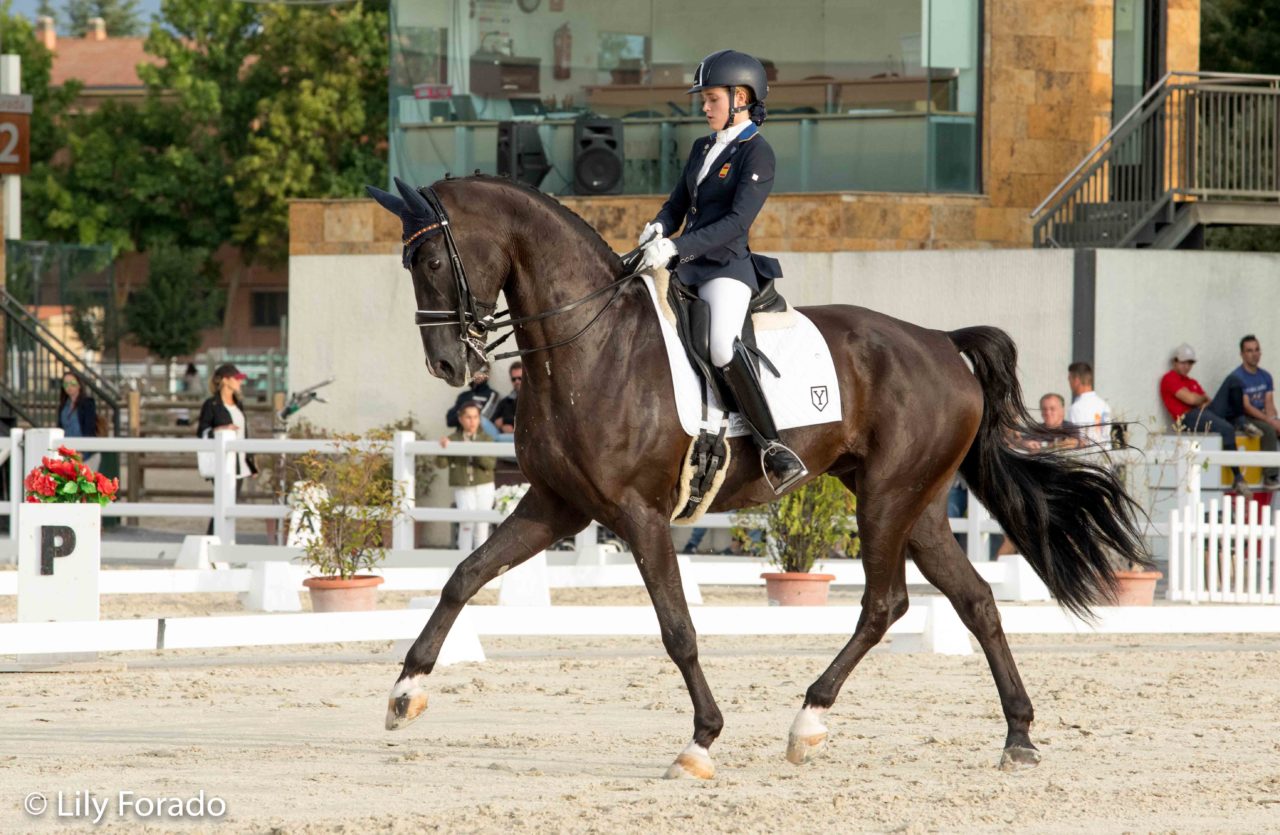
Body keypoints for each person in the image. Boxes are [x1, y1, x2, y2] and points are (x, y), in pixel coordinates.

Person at [635, 48, 804, 494]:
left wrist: (675, 246)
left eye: (711, 99)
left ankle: (773, 447)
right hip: (684, 261)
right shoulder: (702, 147)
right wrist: (659, 227)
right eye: (704, 99)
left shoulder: (757, 154)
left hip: (724, 268)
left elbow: (735, 224)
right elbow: (677, 203)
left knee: (722, 347)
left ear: (741, 98)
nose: (704, 107)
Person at [1159, 343, 1251, 497]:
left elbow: (1205, 400)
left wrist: (1198, 400)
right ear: (1175, 361)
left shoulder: (1191, 382)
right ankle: (1238, 477)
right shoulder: (1169, 378)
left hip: (1201, 413)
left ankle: (1241, 421)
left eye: (1190, 363)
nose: (1187, 366)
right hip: (1187, 419)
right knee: (1227, 429)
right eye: (1183, 362)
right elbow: (1190, 399)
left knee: (1233, 380)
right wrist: (1197, 400)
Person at [197, 363, 259, 534]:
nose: (240, 382)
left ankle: (219, 539)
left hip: (240, 463)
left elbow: (244, 434)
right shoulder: (211, 405)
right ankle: (212, 539)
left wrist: (251, 462)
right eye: (236, 378)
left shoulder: (238, 404)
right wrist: (220, 430)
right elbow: (202, 431)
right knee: (223, 502)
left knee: (230, 504)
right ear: (225, 380)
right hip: (223, 463)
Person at [437, 402, 496, 553]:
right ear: (461, 419)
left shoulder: (486, 438)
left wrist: (473, 448)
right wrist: (443, 447)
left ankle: (481, 563)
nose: (472, 421)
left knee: (482, 526)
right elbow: (441, 463)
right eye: (468, 417)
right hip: (463, 486)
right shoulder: (453, 438)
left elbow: (490, 464)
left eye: (476, 417)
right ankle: (462, 559)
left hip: (484, 486)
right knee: (466, 524)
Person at [1231, 335, 1280, 489]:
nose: (1254, 354)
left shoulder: (1265, 376)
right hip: (1243, 418)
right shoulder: (1237, 377)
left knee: (1275, 426)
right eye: (1249, 350)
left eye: (1257, 349)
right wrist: (1271, 422)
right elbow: (1246, 406)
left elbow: (1269, 402)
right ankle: (1270, 477)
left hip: (1262, 416)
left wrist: (1274, 418)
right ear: (1242, 354)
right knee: (1269, 430)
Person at [58, 370, 101, 470]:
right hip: (68, 454)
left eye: (72, 383)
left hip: (86, 455)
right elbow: (60, 428)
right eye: (66, 384)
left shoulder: (88, 403)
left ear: (79, 385)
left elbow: (89, 428)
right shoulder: (63, 406)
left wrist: (82, 452)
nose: (69, 387)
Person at [1066, 362, 1113, 448]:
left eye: (1069, 379)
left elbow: (1079, 440)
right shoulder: (1104, 405)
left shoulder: (1076, 408)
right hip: (1107, 456)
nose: (1069, 384)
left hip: (1087, 458)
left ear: (1076, 380)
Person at [445, 370, 501, 438]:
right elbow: (450, 420)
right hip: (462, 437)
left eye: (481, 371)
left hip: (482, 437)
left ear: (486, 374)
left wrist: (464, 415)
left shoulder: (492, 395)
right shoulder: (464, 395)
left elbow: (484, 419)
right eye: (474, 371)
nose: (476, 374)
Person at [493, 361, 522, 439]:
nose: (517, 381)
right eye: (514, 379)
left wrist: (505, 420)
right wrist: (502, 427)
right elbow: (494, 421)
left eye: (520, 378)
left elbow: (529, 420)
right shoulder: (505, 402)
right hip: (505, 444)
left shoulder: (533, 400)